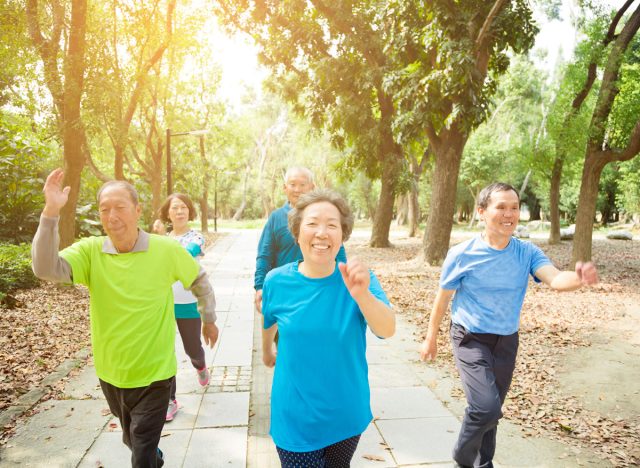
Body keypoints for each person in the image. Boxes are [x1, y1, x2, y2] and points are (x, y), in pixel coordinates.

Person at [32, 169, 219, 468]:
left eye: (120, 207)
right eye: (105, 209)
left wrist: (208, 318)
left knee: (141, 451)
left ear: (138, 210)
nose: (112, 215)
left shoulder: (165, 249)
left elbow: (199, 279)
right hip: (112, 373)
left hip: (155, 374)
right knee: (133, 440)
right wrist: (51, 211)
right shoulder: (91, 251)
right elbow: (44, 268)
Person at [419, 182, 598, 468]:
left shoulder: (526, 252)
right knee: (485, 407)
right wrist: (431, 338)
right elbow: (442, 298)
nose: (509, 214)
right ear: (481, 212)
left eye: (514, 207)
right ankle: (462, 460)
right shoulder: (463, 254)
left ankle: (482, 463)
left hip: (506, 340)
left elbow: (554, 279)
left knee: (491, 411)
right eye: (500, 207)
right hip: (469, 337)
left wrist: (578, 278)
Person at [261, 189, 395, 467]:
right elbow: (269, 319)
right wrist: (266, 352)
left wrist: (362, 295)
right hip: (295, 416)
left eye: (332, 225)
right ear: (297, 232)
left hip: (346, 413)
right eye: (312, 223)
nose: (322, 232)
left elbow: (387, 329)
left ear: (342, 235)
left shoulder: (359, 280)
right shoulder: (276, 281)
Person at [253, 166, 346, 313]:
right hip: (285, 291)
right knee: (282, 334)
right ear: (285, 188)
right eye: (292, 184)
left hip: (321, 290)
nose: (297, 189)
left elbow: (338, 252)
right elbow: (264, 255)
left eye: (303, 185)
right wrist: (259, 287)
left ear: (312, 187)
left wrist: (344, 283)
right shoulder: (276, 218)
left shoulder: (324, 215)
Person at [154, 193, 210, 422]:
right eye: (175, 208)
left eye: (184, 207)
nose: (180, 211)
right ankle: (170, 400)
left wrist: (159, 239)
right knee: (165, 353)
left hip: (188, 302)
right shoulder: (161, 240)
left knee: (192, 348)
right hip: (164, 302)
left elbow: (183, 256)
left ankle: (201, 365)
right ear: (167, 213)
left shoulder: (196, 238)